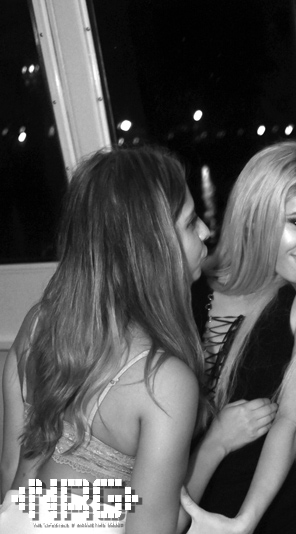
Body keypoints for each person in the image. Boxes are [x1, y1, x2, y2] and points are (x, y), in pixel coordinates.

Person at [0, 147, 210, 533]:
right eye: (191, 222)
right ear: (151, 248)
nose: (206, 232)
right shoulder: (162, 380)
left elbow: (14, 479)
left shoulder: (39, 325)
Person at [179, 141, 296, 534]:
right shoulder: (186, 289)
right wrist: (216, 441)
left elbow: (289, 425)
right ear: (256, 216)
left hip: (275, 521)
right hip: (182, 513)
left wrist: (244, 522)